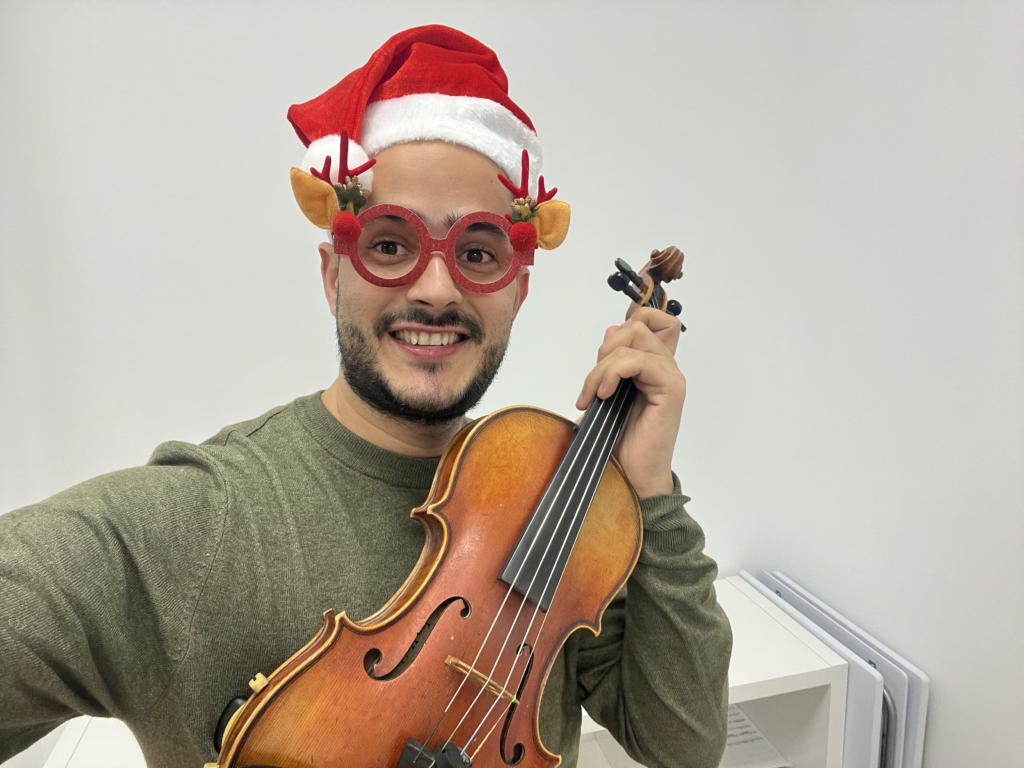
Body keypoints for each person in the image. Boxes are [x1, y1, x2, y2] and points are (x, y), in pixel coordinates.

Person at [0, 25, 731, 768]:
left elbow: (685, 742)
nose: (436, 288)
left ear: (517, 290)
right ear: (331, 276)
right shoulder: (200, 520)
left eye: (477, 253)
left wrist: (651, 491)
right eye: (390, 244)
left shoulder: (562, 511)